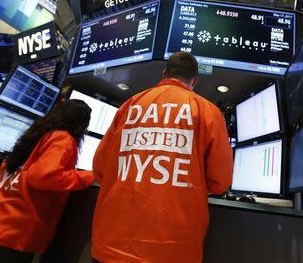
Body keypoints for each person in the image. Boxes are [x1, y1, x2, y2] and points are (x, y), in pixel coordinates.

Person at [91, 52, 233, 263]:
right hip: (172, 250)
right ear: (194, 80)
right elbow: (220, 181)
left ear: (164, 73)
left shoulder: (129, 105)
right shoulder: (209, 112)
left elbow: (100, 167)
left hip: (112, 243)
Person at [0, 99, 95, 263]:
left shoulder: (36, 135)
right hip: (15, 226)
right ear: (81, 123)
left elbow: (8, 167)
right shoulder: (63, 139)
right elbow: (43, 176)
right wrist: (89, 176)